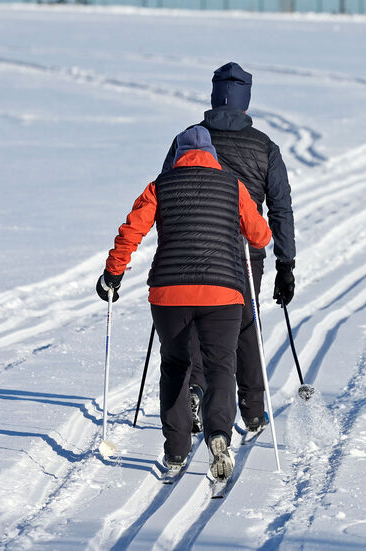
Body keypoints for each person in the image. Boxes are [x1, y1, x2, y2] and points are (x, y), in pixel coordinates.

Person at [96, 126, 271, 479]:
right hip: (223, 293)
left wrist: (112, 274)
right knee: (221, 367)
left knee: (175, 365)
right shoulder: (233, 186)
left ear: (178, 155)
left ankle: (175, 451)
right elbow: (260, 236)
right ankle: (218, 434)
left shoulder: (159, 186)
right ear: (212, 156)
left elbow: (131, 231)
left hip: (169, 293)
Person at [162, 62, 296, 433]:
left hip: (191, 246)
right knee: (244, 325)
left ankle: (194, 389)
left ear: (213, 96)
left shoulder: (187, 140)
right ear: (246, 101)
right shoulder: (265, 147)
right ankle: (252, 409)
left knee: (193, 323)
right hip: (246, 252)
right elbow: (280, 207)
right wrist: (286, 264)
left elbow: (167, 191)